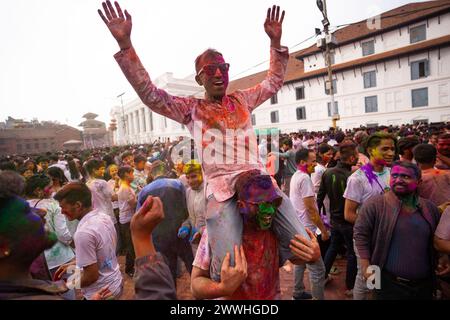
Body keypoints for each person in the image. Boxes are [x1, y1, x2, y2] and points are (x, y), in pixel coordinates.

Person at [99, 1, 310, 285]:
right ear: (200, 78)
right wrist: (126, 45)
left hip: (260, 183)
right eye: (211, 70)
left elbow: (273, 81)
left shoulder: (242, 99)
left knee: (304, 246)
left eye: (223, 68)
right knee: (227, 270)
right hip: (222, 192)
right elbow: (150, 94)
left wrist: (275, 42)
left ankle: (280, 264)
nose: (219, 74)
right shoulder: (191, 109)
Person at [191, 173, 321, 299]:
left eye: (273, 202)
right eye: (261, 205)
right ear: (241, 206)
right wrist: (221, 288)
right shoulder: (218, 234)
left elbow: (294, 259)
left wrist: (313, 256)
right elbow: (195, 284)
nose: (269, 210)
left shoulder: (274, 229)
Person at [354, 161, 441, 300]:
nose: (398, 180)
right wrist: (366, 267)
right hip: (387, 284)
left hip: (424, 285)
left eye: (406, 177)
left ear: (418, 181)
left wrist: (443, 258)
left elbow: (437, 240)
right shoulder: (375, 205)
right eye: (394, 176)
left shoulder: (430, 208)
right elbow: (360, 235)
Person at [344, 132, 396, 300]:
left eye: (393, 149)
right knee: (367, 276)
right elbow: (349, 214)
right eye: (385, 149)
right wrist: (373, 226)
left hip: (389, 235)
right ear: (371, 150)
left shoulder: (394, 174)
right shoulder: (357, 179)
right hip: (367, 237)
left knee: (381, 273)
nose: (391, 153)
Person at [54, 182, 123, 300]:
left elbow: (91, 276)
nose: (61, 212)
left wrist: (66, 286)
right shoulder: (104, 217)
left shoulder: (83, 233)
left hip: (100, 293)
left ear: (78, 205)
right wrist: (77, 262)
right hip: (115, 283)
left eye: (63, 207)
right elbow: (103, 252)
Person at [136, 161, 193, 283]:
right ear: (166, 171)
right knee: (192, 265)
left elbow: (140, 219)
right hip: (181, 233)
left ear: (151, 174)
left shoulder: (144, 191)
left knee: (168, 271)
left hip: (160, 237)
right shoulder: (178, 184)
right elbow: (187, 207)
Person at [24, 174, 76, 299]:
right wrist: (74, 243)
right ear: (38, 190)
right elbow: (63, 234)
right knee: (70, 289)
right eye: (49, 187)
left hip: (35, 261)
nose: (52, 190)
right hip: (60, 258)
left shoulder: (20, 207)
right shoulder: (54, 205)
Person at [317, 141, 359, 296]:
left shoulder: (328, 173)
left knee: (334, 247)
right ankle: (350, 286)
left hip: (334, 219)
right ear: (351, 158)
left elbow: (319, 198)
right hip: (349, 220)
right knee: (352, 253)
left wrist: (322, 218)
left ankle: (322, 277)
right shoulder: (353, 177)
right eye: (356, 156)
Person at [290, 149, 327, 300]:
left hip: (299, 226)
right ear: (303, 162)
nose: (315, 164)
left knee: (300, 262)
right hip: (307, 230)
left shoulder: (296, 175)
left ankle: (298, 293)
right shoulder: (304, 178)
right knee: (318, 270)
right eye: (313, 161)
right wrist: (324, 231)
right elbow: (311, 209)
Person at [178, 160, 206, 254]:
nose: (190, 181)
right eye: (187, 177)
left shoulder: (209, 191)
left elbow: (217, 221)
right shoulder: (189, 192)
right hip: (195, 244)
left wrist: (201, 232)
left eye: (194, 176)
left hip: (210, 242)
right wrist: (185, 226)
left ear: (202, 174)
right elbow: (191, 216)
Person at [117, 165, 137, 276]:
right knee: (131, 245)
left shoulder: (125, 186)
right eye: (131, 173)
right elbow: (132, 204)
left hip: (127, 218)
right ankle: (129, 269)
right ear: (126, 174)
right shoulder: (125, 187)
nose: (133, 176)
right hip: (127, 219)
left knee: (132, 244)